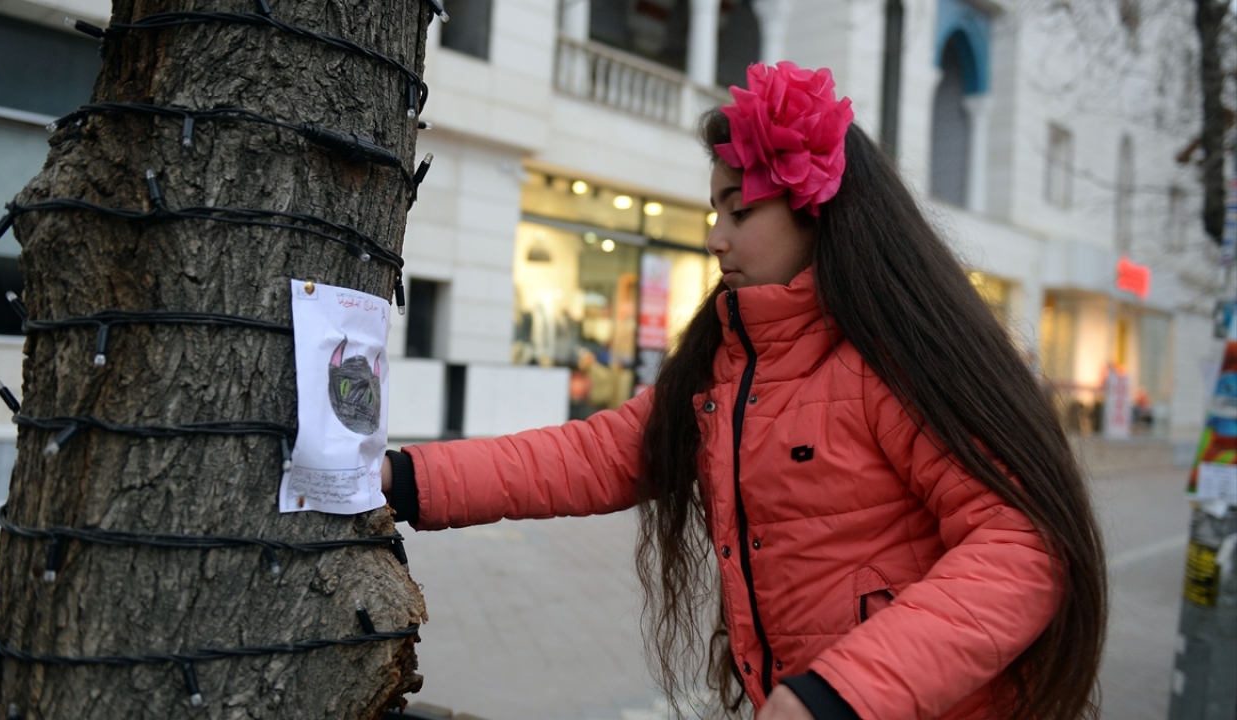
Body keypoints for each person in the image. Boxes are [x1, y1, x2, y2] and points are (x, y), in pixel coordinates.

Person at [380, 62, 1106, 720]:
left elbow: (1023, 547)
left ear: (815, 208)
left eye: (739, 210)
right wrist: (403, 480)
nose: (715, 237)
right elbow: (601, 454)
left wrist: (839, 695)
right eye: (714, 211)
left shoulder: (898, 355)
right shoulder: (728, 362)